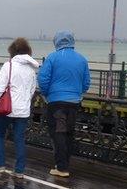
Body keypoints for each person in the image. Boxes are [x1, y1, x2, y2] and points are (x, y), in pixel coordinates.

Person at [38, 30, 90, 177]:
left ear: (57, 42)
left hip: (56, 102)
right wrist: (77, 93)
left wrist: (47, 94)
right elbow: (86, 83)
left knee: (58, 133)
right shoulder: (82, 59)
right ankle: (64, 164)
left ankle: (61, 168)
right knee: (69, 133)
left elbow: (43, 79)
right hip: (74, 103)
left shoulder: (52, 57)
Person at [0, 38, 40, 178]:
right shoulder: (31, 69)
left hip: (7, 108)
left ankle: (0, 165)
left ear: (12, 51)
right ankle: (19, 170)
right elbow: (32, 90)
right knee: (19, 138)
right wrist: (24, 102)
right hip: (23, 110)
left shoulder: (9, 66)